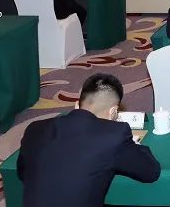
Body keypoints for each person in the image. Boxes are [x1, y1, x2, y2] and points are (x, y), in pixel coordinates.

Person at [17, 74, 160, 207]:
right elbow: (150, 172)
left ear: (77, 105)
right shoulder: (114, 135)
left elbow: (22, 173)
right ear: (113, 112)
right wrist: (135, 145)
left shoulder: (34, 129)